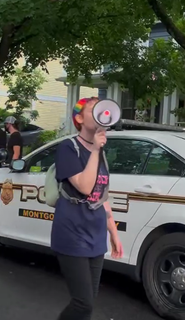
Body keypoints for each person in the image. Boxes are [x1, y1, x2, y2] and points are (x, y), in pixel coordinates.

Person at [51, 97, 123, 320]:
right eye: (94, 110)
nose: (102, 113)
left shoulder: (99, 152)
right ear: (79, 118)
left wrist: (113, 232)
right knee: (82, 303)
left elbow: (101, 195)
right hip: (72, 231)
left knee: (89, 301)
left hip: (96, 233)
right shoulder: (68, 148)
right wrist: (94, 149)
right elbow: (83, 186)